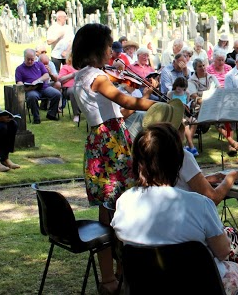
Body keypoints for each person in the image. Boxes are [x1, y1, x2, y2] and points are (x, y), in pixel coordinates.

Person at [110, 123, 238, 294]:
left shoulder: (124, 202)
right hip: (196, 287)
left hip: (146, 287)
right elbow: (223, 252)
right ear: (178, 161)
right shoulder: (200, 204)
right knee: (233, 267)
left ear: (138, 162)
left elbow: (121, 244)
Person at [71, 23, 157, 294]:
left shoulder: (82, 75)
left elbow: (118, 113)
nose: (113, 51)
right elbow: (126, 102)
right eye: (109, 46)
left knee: (108, 210)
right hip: (110, 145)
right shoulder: (97, 77)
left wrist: (144, 95)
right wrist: (159, 105)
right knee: (117, 211)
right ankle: (112, 277)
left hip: (101, 142)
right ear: (97, 48)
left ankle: (116, 274)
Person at [187, 58, 238, 155]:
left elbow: (219, 90)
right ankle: (232, 142)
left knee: (228, 118)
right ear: (195, 68)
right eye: (200, 66)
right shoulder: (191, 81)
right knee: (217, 120)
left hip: (215, 106)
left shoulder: (211, 77)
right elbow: (195, 97)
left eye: (203, 65)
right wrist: (209, 103)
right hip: (199, 109)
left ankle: (230, 146)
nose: (203, 68)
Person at [16, 49, 62, 124]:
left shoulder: (39, 65)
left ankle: (51, 114)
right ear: (24, 57)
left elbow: (46, 75)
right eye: (28, 59)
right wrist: (26, 87)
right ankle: (36, 117)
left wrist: (38, 80)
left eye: (32, 59)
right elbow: (19, 82)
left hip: (43, 87)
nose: (30, 61)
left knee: (56, 94)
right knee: (32, 96)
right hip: (31, 89)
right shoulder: (19, 69)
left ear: (35, 58)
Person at [57, 55, 81, 123]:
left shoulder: (81, 67)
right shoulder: (65, 67)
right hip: (68, 89)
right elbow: (60, 79)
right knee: (73, 91)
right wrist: (72, 75)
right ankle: (76, 114)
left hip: (82, 87)